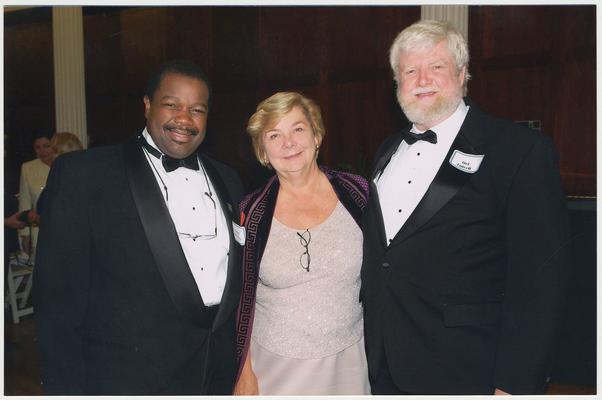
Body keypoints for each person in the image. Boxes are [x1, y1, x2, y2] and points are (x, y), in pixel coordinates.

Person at [361, 20, 571, 395]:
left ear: (462, 75)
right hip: (383, 364)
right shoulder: (386, 151)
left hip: (468, 368)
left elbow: (541, 281)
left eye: (436, 67)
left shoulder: (518, 150)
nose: (422, 79)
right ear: (397, 83)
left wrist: (515, 383)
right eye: (410, 70)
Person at [33, 60, 244, 395]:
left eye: (197, 109)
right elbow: (57, 303)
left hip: (216, 378)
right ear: (147, 105)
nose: (184, 119)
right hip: (128, 381)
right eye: (171, 105)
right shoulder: (85, 176)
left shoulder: (229, 181)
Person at [233, 92, 370, 395]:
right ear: (263, 152)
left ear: (317, 135)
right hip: (275, 369)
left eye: (298, 129)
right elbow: (239, 300)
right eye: (274, 135)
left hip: (349, 363)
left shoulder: (358, 194)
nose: (289, 143)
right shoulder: (249, 213)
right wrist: (243, 374)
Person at [18, 131, 54, 255]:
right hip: (39, 231)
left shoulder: (64, 164)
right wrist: (25, 234)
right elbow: (24, 203)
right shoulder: (28, 168)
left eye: (46, 146)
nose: (43, 151)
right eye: (38, 148)